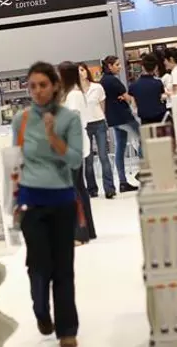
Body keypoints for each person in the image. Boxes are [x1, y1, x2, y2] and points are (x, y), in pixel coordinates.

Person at [13, 62, 82, 347]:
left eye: (43, 85)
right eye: (32, 86)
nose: (38, 91)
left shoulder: (69, 118)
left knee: (64, 269)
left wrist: (53, 136)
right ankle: (40, 309)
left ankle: (68, 331)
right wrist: (14, 200)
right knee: (39, 266)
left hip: (62, 200)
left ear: (55, 86)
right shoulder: (22, 119)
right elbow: (14, 161)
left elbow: (76, 160)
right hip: (31, 201)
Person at [58, 61, 96, 244]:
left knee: (73, 189)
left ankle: (79, 234)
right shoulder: (75, 93)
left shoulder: (72, 95)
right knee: (79, 187)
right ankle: (87, 230)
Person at [100, 55, 140, 197]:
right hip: (124, 116)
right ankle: (144, 172)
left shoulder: (102, 81)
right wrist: (128, 98)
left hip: (113, 119)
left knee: (120, 148)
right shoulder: (114, 81)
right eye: (117, 64)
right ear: (109, 66)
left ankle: (122, 182)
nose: (120, 66)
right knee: (143, 140)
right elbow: (128, 98)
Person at [79, 62, 114, 198]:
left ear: (87, 71)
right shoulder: (75, 92)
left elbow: (102, 105)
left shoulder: (97, 87)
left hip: (99, 123)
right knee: (88, 159)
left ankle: (109, 188)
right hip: (84, 126)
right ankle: (92, 189)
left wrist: (103, 119)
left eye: (82, 69)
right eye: (78, 71)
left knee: (103, 156)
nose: (80, 72)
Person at [128, 54, 167, 125]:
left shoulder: (133, 85)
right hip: (160, 118)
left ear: (142, 67)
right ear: (155, 68)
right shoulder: (158, 83)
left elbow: (133, 105)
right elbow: (162, 97)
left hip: (144, 119)